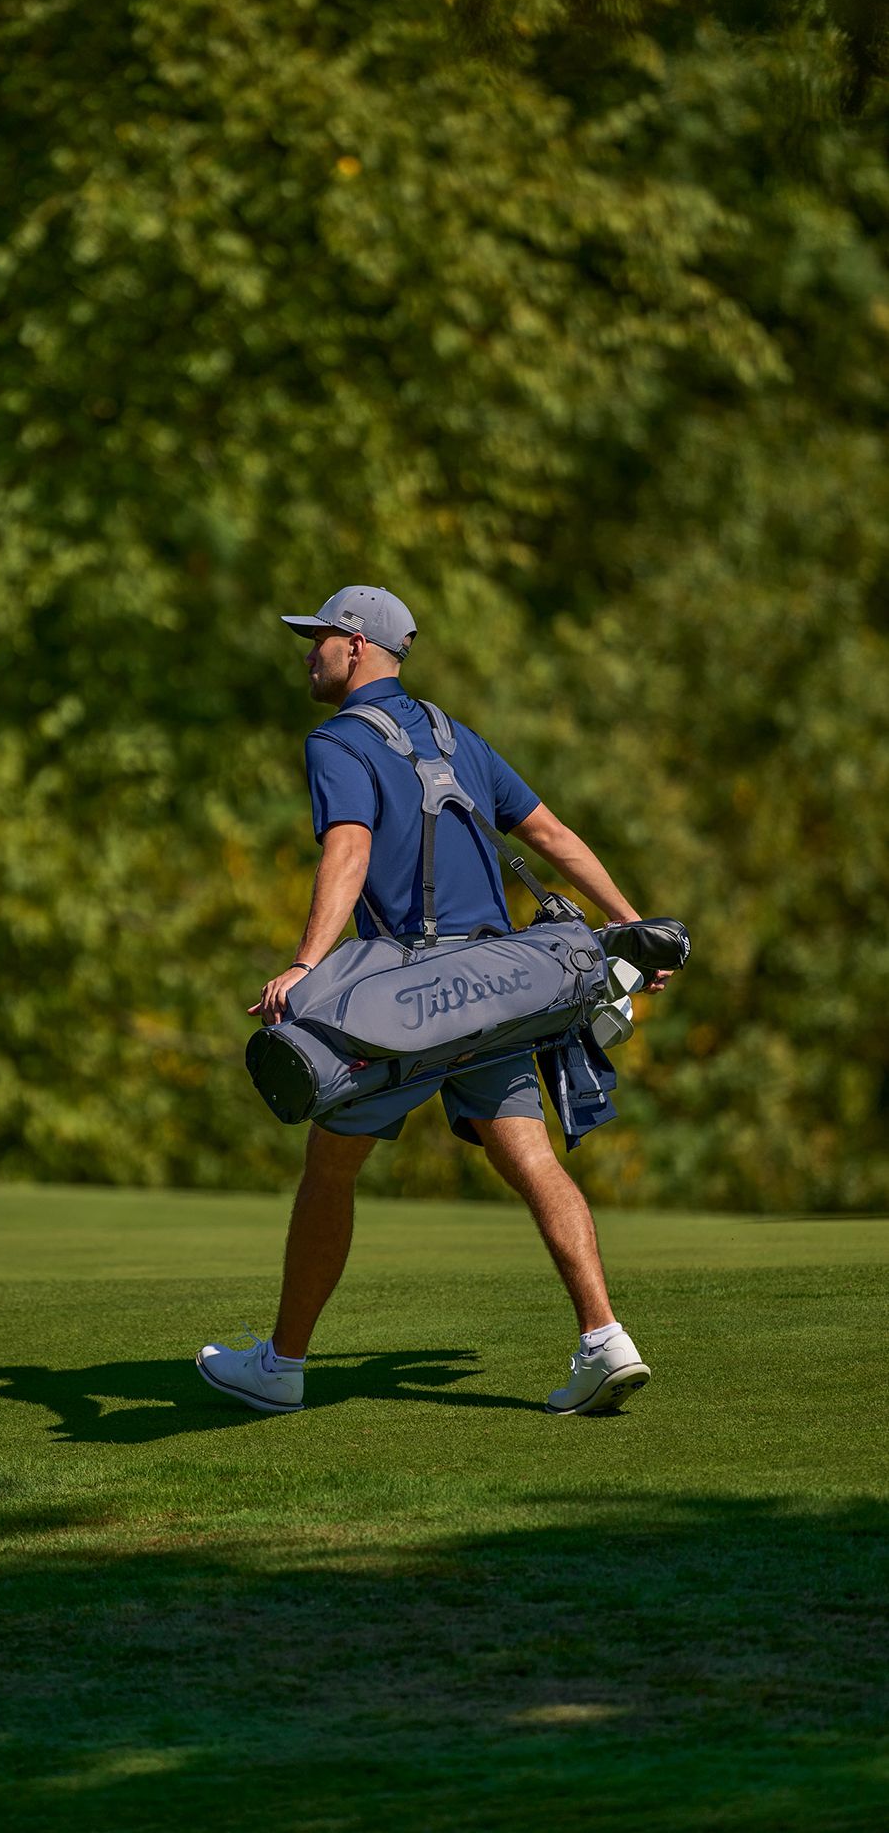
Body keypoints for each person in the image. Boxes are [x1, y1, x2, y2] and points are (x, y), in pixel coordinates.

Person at [197, 585, 673, 1420]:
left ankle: (280, 1367)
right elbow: (551, 837)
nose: (307, 653)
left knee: (329, 1167)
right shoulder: (453, 734)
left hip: (412, 1001)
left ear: (355, 645)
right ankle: (604, 1339)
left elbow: (349, 849)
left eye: (317, 639)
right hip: (499, 989)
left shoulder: (336, 741)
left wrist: (307, 964)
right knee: (529, 1160)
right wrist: (631, 925)